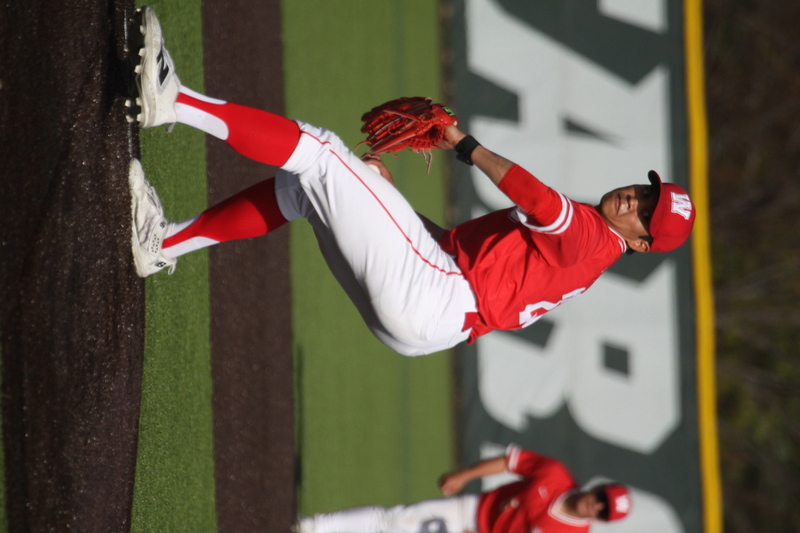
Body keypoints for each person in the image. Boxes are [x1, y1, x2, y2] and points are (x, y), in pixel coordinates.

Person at [129, 6, 696, 356]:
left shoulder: (595, 239)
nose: (634, 200)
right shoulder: (587, 251)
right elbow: (452, 251)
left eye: (646, 213)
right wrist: (389, 198)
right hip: (430, 315)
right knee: (309, 190)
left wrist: (461, 144)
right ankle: (165, 244)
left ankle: (173, 101)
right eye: (647, 193)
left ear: (642, 242)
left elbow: (535, 197)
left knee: (323, 153)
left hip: (435, 295)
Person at [292, 444, 632, 533]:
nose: (597, 507)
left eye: (604, 513)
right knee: (399, 519)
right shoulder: (556, 474)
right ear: (598, 489)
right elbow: (508, 462)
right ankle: (317, 526)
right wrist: (465, 475)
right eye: (603, 499)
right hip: (471, 510)